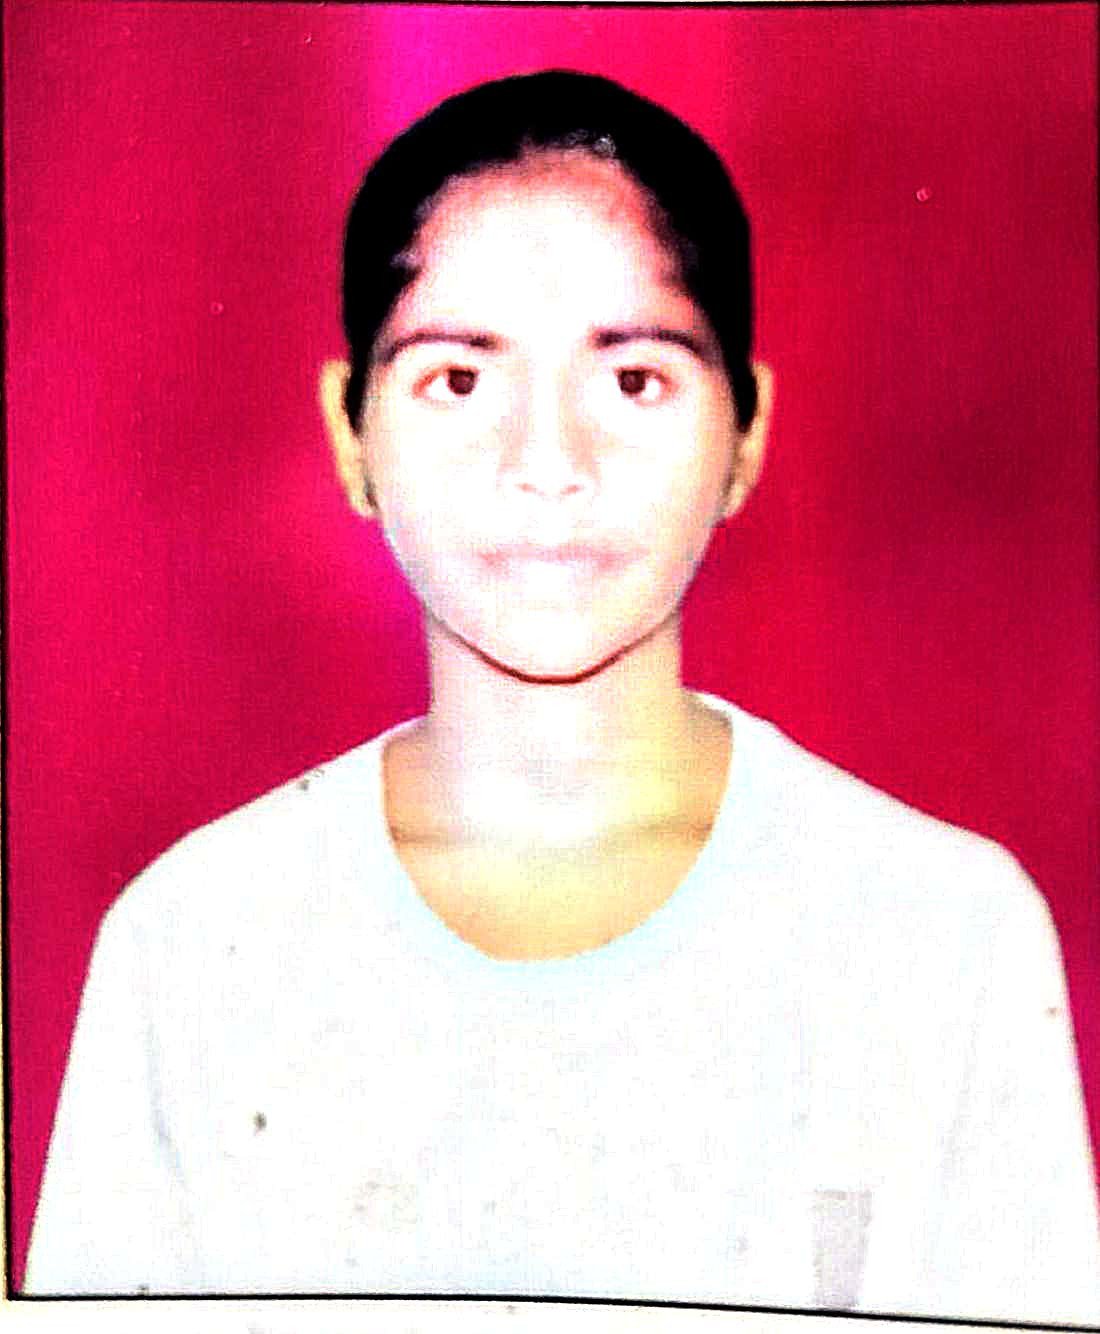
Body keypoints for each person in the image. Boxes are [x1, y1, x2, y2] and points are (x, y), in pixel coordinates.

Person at [25, 70, 1100, 1317]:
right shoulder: (190, 945)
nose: (547, 465)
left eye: (633, 380)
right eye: (457, 380)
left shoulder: (943, 935)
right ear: (347, 430)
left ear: (746, 433)